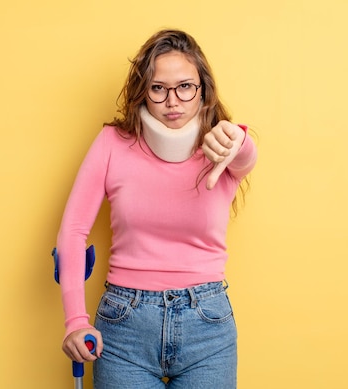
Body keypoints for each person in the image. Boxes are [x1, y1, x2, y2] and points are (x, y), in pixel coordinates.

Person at [56, 29, 257, 388]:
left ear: (203, 90)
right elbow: (72, 232)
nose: (172, 101)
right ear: (143, 91)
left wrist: (237, 139)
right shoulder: (112, 144)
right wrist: (76, 321)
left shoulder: (222, 149)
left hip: (207, 325)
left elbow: (246, 155)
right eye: (158, 88)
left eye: (185, 87)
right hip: (125, 325)